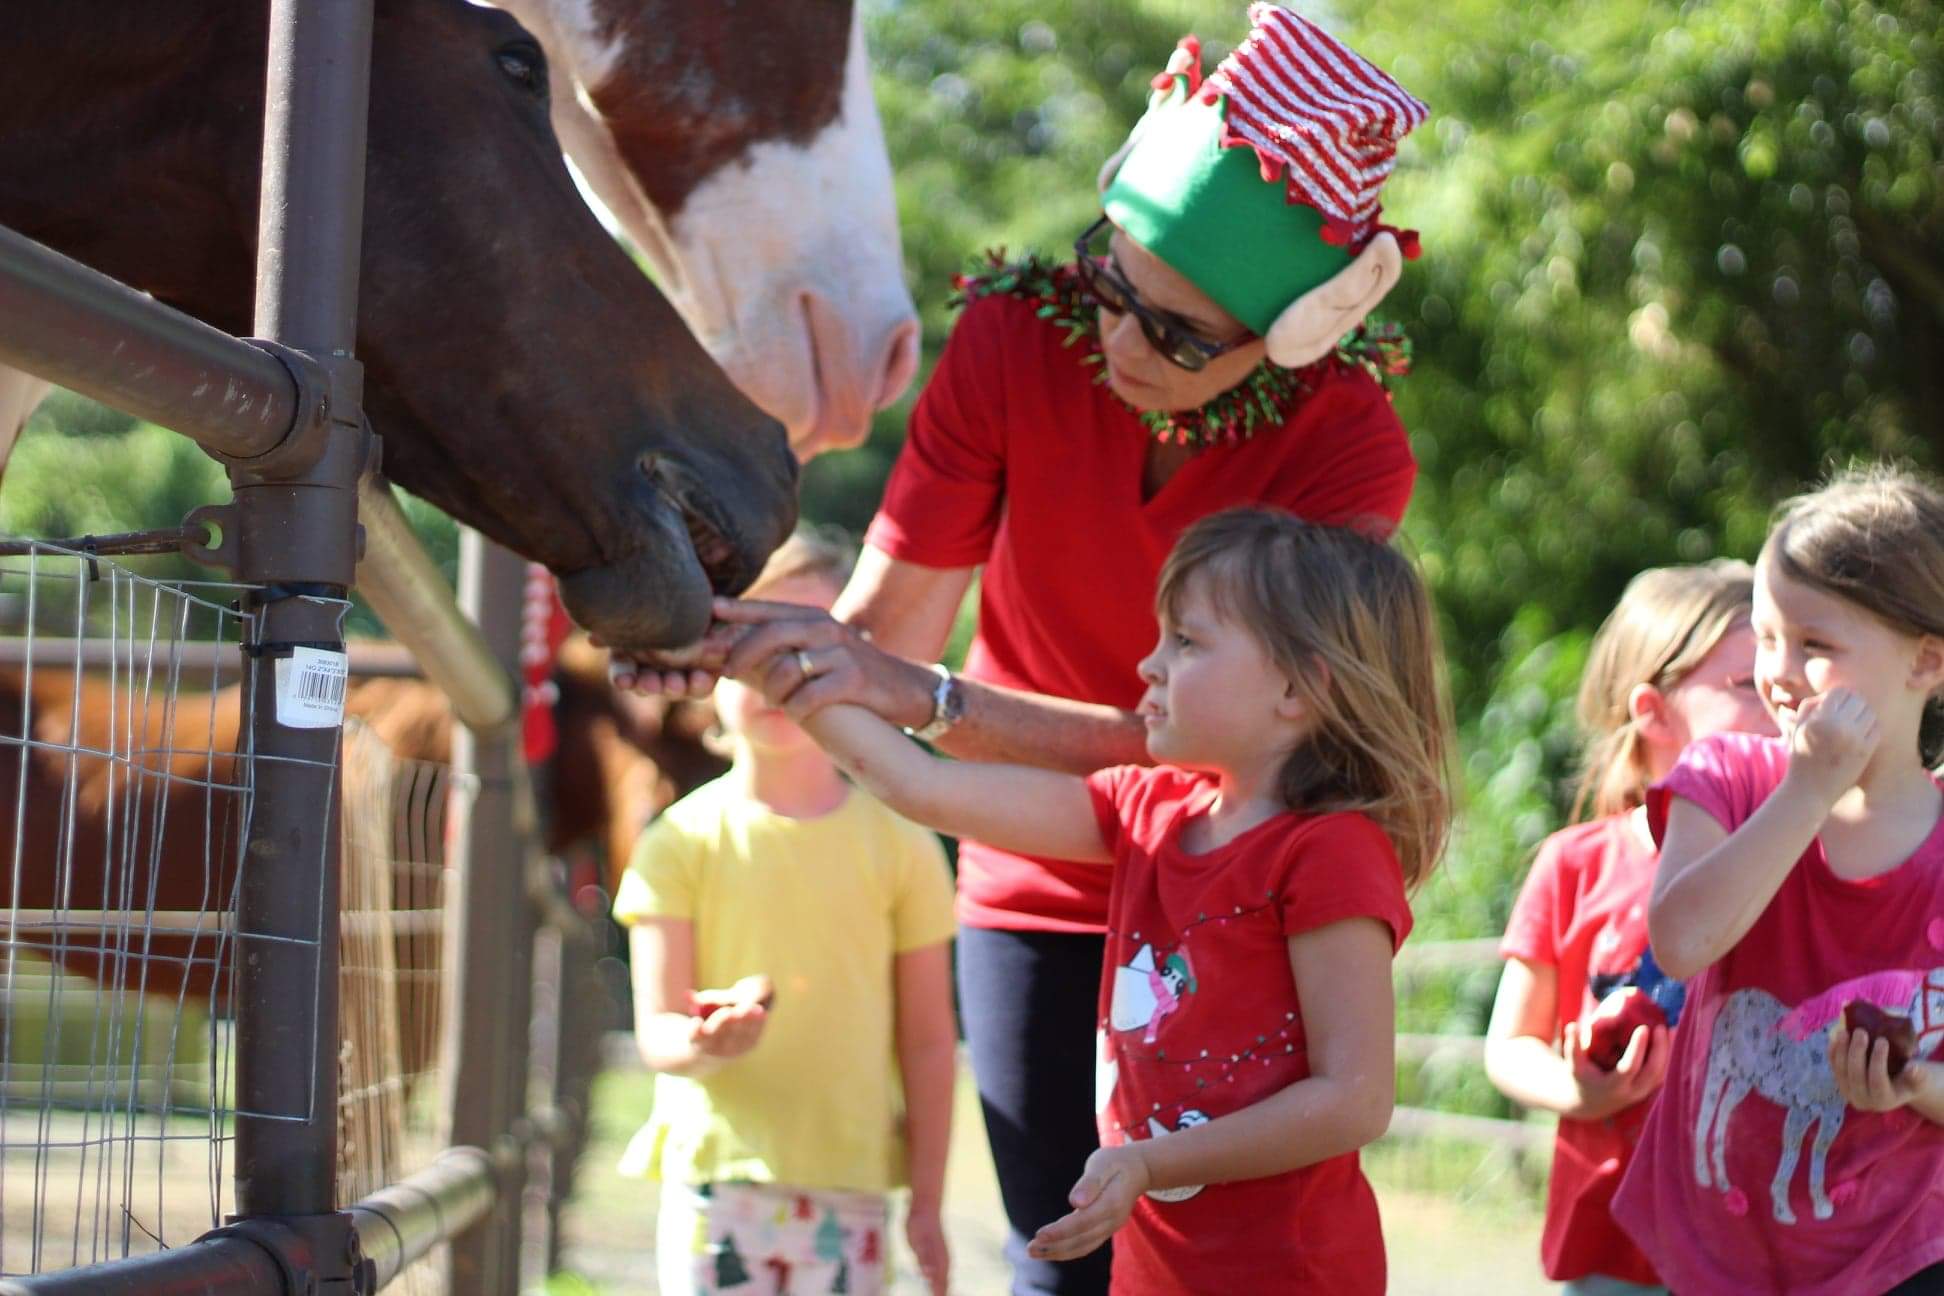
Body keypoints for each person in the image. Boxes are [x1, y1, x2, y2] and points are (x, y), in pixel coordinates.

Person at [616, 10, 1431, 1290]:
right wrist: (732, 645)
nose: (1116, 342)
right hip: (1038, 881)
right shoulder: (1013, 335)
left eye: (1175, 334)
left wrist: (924, 696)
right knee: (1056, 1256)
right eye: (1113, 285)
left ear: (1300, 330)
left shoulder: (1352, 447)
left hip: (1241, 883)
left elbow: (1243, 758)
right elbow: (883, 641)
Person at [726, 508, 1454, 1295]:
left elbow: (1354, 1099)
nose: (1149, 665)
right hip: (1154, 1269)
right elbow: (922, 786)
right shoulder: (1145, 812)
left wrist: (1148, 1162)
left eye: (1187, 641)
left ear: (1301, 685)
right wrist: (774, 665)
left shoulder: (1330, 853)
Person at [1611, 465, 1944, 1295]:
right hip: (1722, 1245)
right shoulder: (1726, 776)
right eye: (1765, 638)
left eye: (1816, 645)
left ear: (1926, 661)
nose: (1779, 671)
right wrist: (1807, 789)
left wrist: (1913, 1086)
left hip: (1907, 1250)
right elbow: (1681, 943)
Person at [610, 530, 958, 1296]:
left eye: (805, 645)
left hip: (855, 1189)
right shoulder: (679, 843)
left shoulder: (902, 843)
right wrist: (706, 1039)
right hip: (715, 1187)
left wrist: (927, 1203)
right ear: (710, 665)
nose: (777, 676)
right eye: (752, 643)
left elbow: (930, 1043)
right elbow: (659, 1032)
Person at [1483, 562, 1775, 1295]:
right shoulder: (1573, 865)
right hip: (1612, 1243)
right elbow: (1510, 1045)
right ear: (1653, 711)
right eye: (1747, 685)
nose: (1780, 697)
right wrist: (1584, 1095)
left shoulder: (1800, 854)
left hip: (1759, 1238)